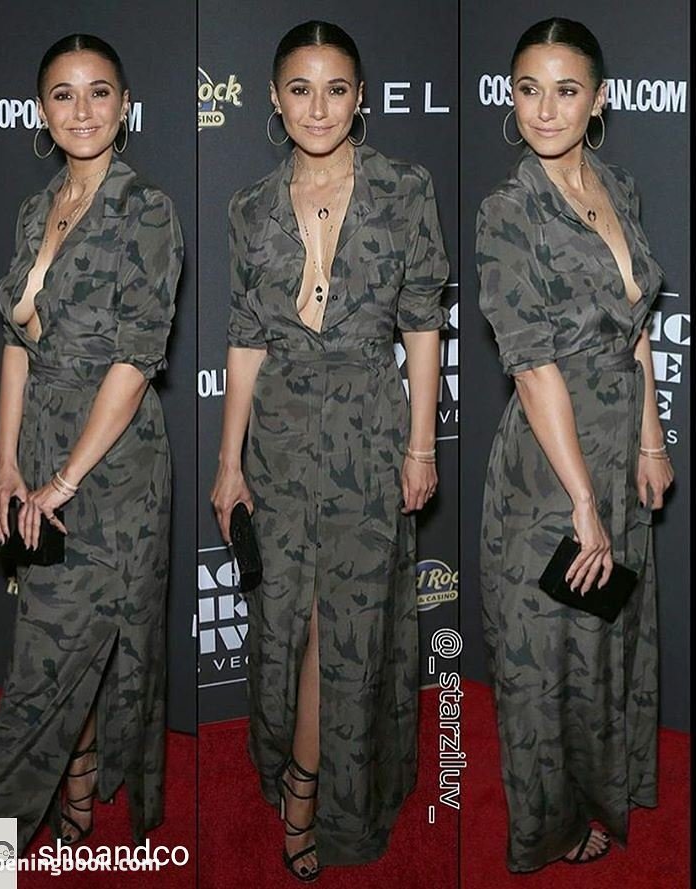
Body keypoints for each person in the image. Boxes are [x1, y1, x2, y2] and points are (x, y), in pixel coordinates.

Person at [210, 20, 449, 882]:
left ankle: (309, 789)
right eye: (300, 89)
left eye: (336, 89)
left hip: (368, 430)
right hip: (278, 435)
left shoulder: (404, 189)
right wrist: (229, 461)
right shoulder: (249, 207)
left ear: (361, 98)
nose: (319, 108)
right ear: (275, 101)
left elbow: (422, 323)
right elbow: (246, 340)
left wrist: (420, 444)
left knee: (337, 623)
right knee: (285, 617)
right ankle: (289, 762)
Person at [0, 34, 183, 853]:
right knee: (55, 648)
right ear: (41, 112)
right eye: (63, 94)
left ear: (125, 106)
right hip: (41, 446)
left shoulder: (147, 210)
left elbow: (134, 361)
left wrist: (63, 480)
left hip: (112, 468)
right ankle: (76, 780)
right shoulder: (36, 209)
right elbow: (17, 342)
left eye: (99, 92)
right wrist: (5, 461)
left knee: (37, 675)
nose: (81, 110)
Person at [476, 17, 673, 873]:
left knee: (601, 640)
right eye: (529, 90)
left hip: (616, 448)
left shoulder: (618, 187)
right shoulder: (507, 212)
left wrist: (651, 436)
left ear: (598, 100)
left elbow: (636, 327)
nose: (545, 110)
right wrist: (584, 501)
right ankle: (545, 825)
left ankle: (599, 790)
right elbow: (532, 368)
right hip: (548, 470)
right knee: (543, 660)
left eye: (566, 91)